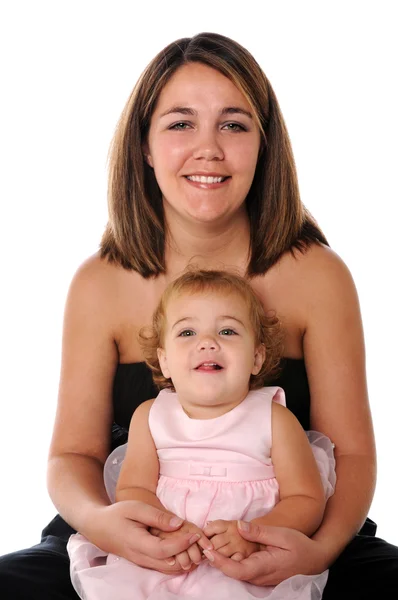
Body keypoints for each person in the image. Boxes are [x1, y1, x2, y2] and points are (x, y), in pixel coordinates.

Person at [0, 31, 397, 599]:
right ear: (144, 144)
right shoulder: (101, 282)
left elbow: (352, 453)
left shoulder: (317, 275)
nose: (207, 148)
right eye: (180, 123)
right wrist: (104, 522)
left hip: (289, 534)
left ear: (264, 146)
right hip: (134, 537)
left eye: (233, 124)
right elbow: (73, 455)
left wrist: (318, 549)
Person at [66, 269, 336, 600]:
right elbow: (134, 488)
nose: (207, 342)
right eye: (187, 332)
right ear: (164, 361)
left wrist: (254, 535)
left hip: (243, 563)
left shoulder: (274, 418)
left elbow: (306, 500)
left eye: (227, 330)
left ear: (256, 357)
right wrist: (165, 530)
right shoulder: (151, 416)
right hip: (165, 560)